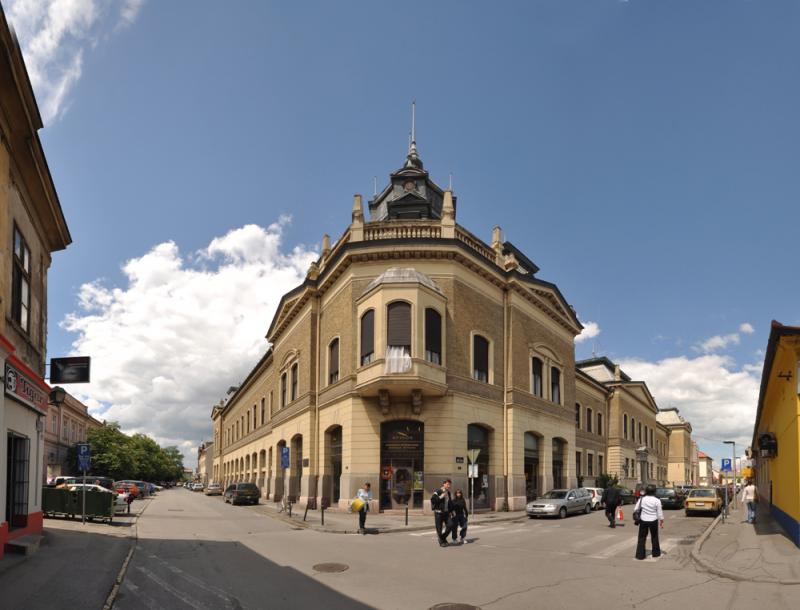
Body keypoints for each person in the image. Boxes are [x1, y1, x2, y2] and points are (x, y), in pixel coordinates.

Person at [634, 484, 664, 560]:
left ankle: (640, 555)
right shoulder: (657, 500)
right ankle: (656, 553)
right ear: (654, 491)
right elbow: (659, 512)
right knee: (654, 537)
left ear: (646, 491)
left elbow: (636, 509)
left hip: (643, 520)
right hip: (653, 520)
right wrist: (661, 521)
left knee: (642, 538)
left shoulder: (642, 499)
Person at [431, 479, 453, 547]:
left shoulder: (448, 492)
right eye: (447, 484)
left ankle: (442, 538)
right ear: (444, 484)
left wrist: (452, 511)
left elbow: (449, 503)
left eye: (449, 484)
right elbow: (433, 500)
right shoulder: (438, 491)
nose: (449, 486)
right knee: (439, 528)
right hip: (439, 513)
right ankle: (441, 542)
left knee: (450, 525)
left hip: (446, 513)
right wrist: (440, 497)